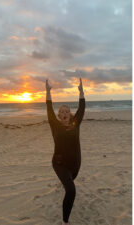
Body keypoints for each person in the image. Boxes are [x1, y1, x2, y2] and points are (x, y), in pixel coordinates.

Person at [46, 78, 85, 225]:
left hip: (76, 164)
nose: (64, 113)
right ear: (59, 115)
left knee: (70, 181)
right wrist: (48, 92)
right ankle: (65, 222)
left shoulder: (76, 124)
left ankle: (65, 182)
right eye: (61, 111)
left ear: (70, 114)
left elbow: (82, 109)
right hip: (60, 163)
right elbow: (49, 109)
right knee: (71, 191)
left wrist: (81, 92)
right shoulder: (55, 125)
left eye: (66, 111)